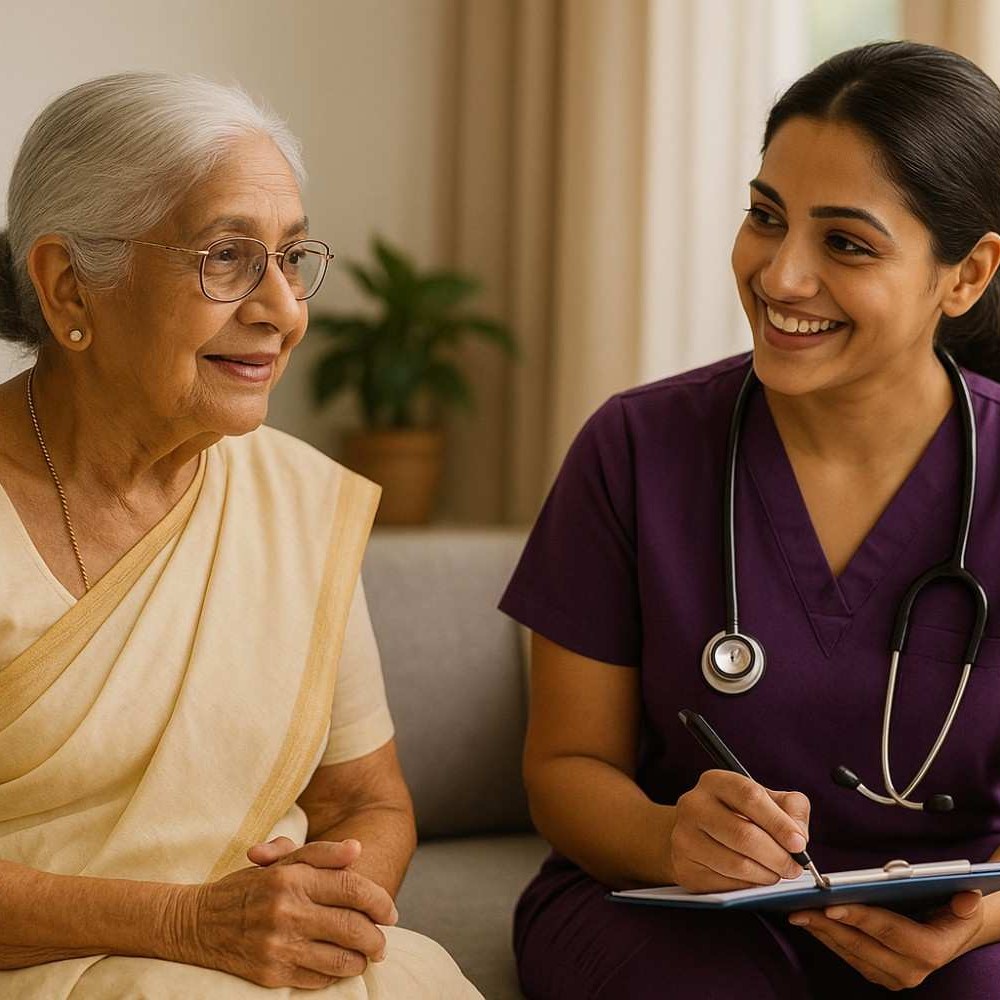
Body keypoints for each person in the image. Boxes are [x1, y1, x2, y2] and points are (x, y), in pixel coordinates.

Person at [500, 41, 1000, 998]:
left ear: (967, 275)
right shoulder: (637, 448)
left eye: (846, 243)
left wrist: (977, 920)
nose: (780, 277)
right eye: (765, 217)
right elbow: (565, 766)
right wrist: (667, 836)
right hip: (665, 906)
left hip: (955, 931)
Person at [0, 73, 481, 998]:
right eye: (226, 256)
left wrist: (317, 924)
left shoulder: (297, 501)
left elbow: (366, 802)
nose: (285, 310)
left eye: (292, 257)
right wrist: (186, 926)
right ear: (69, 284)